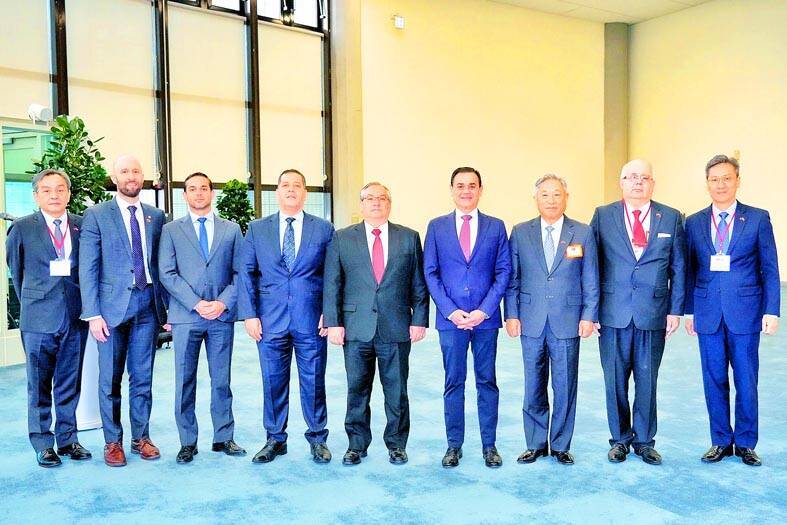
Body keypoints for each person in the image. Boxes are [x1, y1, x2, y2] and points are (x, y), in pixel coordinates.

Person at [323, 182, 429, 466]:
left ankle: (396, 444)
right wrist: (334, 322)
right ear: (361, 205)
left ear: (389, 203)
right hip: (356, 327)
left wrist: (419, 319)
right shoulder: (343, 238)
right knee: (357, 389)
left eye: (382, 198)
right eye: (369, 198)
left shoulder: (408, 237)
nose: (376, 203)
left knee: (397, 391)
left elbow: (419, 284)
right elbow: (332, 283)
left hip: (395, 327)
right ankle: (356, 444)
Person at [685, 154, 780, 467]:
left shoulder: (757, 218)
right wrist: (688, 311)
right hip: (708, 312)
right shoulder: (695, 222)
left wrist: (772, 310)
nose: (721, 185)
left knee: (746, 379)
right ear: (707, 184)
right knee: (713, 378)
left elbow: (769, 267)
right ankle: (720, 440)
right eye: (714, 179)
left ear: (738, 180)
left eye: (727, 178)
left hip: (746, 313)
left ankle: (747, 442)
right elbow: (689, 269)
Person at [590, 159, 686, 466]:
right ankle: (619, 439)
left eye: (644, 178)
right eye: (631, 177)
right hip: (612, 313)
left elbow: (679, 267)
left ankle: (644, 440)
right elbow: (591, 266)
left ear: (653, 184)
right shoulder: (603, 216)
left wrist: (675, 309)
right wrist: (590, 312)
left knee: (647, 379)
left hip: (653, 313)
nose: (638, 182)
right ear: (621, 182)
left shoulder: (670, 217)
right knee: (614, 380)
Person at [238, 169, 335, 464]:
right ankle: (275, 439)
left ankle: (317, 438)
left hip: (311, 320)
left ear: (305, 193)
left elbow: (332, 275)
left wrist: (328, 313)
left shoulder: (324, 229)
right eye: (285, 185)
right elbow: (246, 273)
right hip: (269, 321)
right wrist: (249, 315)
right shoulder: (257, 229)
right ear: (276, 192)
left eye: (297, 185)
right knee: (273, 381)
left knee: (314, 380)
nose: (291, 189)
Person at [504, 174, 599, 466]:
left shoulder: (582, 232)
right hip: (530, 320)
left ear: (566, 198)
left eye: (557, 194)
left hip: (568, 320)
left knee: (565, 383)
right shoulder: (520, 232)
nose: (551, 200)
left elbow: (591, 278)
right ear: (535, 199)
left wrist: (588, 315)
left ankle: (560, 445)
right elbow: (513, 278)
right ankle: (534, 443)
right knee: (533, 382)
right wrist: (511, 314)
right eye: (545, 195)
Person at [79, 155, 167, 467]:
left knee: (143, 378)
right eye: (124, 171)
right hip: (110, 312)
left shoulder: (156, 216)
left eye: (136, 171)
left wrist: (166, 311)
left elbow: (163, 265)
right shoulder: (96, 215)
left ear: (143, 177)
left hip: (148, 307)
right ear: (114, 178)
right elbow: (87, 268)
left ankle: (140, 437)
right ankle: (112, 441)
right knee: (110, 380)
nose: (131, 176)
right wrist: (92, 313)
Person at [423, 167, 511, 468]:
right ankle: (453, 446)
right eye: (460, 186)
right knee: (453, 382)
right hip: (451, 320)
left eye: (472, 185)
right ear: (451, 190)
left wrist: (484, 310)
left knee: (487, 381)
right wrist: (451, 310)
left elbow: (503, 272)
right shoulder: (436, 227)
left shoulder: (496, 226)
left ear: (481, 190)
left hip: (485, 320)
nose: (466, 191)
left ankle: (490, 446)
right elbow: (430, 273)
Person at [6, 169, 91, 467]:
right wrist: (37, 301)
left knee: (70, 382)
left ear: (68, 193)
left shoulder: (83, 225)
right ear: (36, 195)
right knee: (39, 384)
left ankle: (68, 439)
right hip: (38, 319)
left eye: (60, 189)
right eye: (46, 190)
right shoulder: (22, 228)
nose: (54, 195)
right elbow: (17, 274)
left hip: (75, 317)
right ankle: (43, 443)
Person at [159, 172, 245, 464]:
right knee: (185, 380)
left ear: (212, 193)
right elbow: (166, 274)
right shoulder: (171, 230)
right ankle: (187, 441)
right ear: (185, 195)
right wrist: (196, 303)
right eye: (192, 189)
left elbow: (240, 273)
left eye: (204, 189)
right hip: (186, 316)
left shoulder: (231, 230)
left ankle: (223, 437)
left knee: (221, 379)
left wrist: (222, 303)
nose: (198, 193)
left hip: (220, 317)